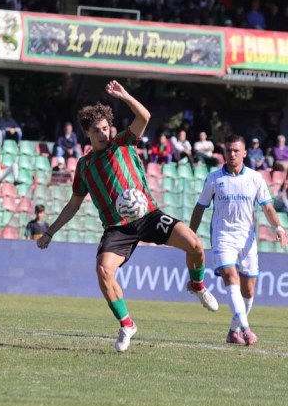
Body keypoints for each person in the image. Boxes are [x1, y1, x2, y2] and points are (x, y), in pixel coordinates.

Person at [37, 80, 218, 353]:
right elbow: (74, 204)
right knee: (103, 270)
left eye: (106, 128)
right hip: (116, 228)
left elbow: (144, 117)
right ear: (87, 132)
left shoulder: (122, 142)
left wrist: (124, 96)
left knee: (195, 245)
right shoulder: (84, 167)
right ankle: (127, 323)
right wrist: (50, 231)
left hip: (148, 215)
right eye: (96, 130)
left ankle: (196, 284)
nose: (103, 134)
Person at [189, 135, 288, 346]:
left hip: (246, 238)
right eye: (228, 151)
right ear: (224, 153)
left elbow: (268, 207)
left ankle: (232, 331)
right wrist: (190, 234)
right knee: (230, 276)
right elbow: (200, 207)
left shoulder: (255, 178)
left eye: (236, 151)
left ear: (245, 153)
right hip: (223, 236)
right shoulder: (214, 178)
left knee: (249, 290)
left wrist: (278, 227)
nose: (232, 154)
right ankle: (246, 329)